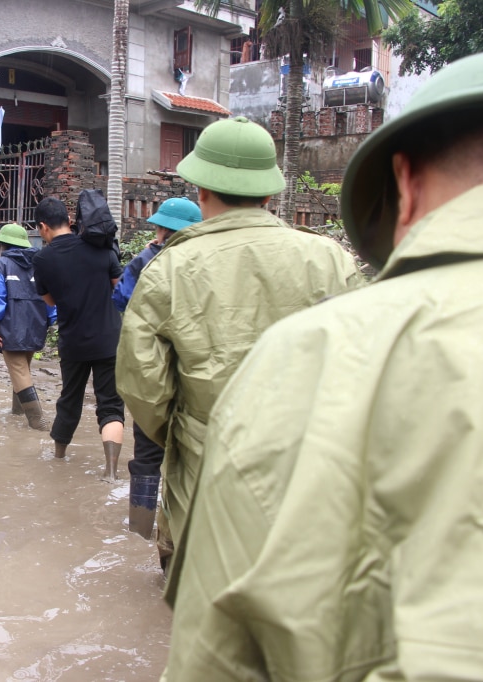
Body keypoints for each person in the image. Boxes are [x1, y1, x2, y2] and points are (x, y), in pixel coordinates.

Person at [162, 48, 483, 680]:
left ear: (406, 184)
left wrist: (171, 433)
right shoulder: (329, 262)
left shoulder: (296, 356)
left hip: (219, 440)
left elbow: (217, 658)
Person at [116, 116, 362, 570]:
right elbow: (360, 369)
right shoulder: (331, 259)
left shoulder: (168, 269)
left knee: (201, 598)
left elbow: (142, 383)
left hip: (205, 463)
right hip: (306, 468)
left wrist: (181, 436)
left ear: (201, 192)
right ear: (269, 195)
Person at [111, 197, 202, 540]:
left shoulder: (146, 261)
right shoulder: (207, 261)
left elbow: (121, 300)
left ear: (162, 229)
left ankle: (139, 532)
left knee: (148, 452)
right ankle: (181, 537)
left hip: (154, 372)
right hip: (198, 374)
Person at [32, 196, 125, 480]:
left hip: (73, 342)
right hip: (109, 338)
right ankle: (110, 473)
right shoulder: (101, 248)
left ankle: (58, 457)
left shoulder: (42, 259)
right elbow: (119, 289)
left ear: (43, 227)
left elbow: (49, 302)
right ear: (70, 222)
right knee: (110, 404)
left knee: (69, 399)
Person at [0, 223, 57, 431]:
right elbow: (51, 299)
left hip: (11, 328)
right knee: (22, 370)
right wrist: (49, 321)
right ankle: (17, 413)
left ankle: (37, 421)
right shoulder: (40, 265)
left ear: (2, 244)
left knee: (19, 372)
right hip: (37, 325)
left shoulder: (1, 265)